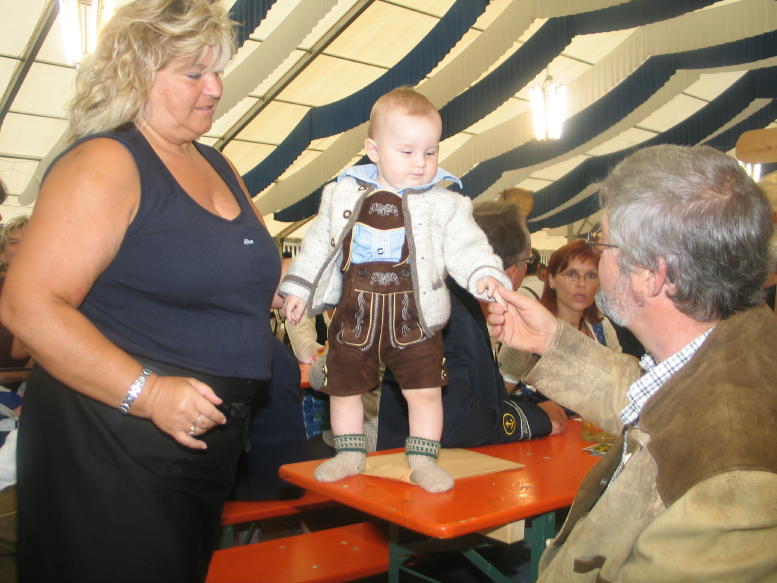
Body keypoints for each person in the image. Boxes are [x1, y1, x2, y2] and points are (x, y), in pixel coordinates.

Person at [0, 2, 281, 581]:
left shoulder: (217, 163)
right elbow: (28, 305)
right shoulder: (107, 161)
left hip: (205, 442)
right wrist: (147, 393)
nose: (215, 88)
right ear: (135, 75)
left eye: (217, 71)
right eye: (194, 73)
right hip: (111, 438)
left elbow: (241, 280)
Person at [488, 144, 777, 582]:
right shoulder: (741, 346)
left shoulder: (729, 482)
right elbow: (657, 399)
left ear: (651, 275)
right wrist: (551, 341)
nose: (597, 260)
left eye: (602, 244)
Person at [279, 87, 510, 493]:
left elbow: (468, 245)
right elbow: (318, 247)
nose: (421, 163)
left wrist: (485, 274)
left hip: (414, 316)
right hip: (356, 312)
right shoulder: (342, 194)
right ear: (374, 150)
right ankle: (349, 454)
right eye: (407, 151)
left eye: (430, 151)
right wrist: (299, 289)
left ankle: (423, 461)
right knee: (345, 389)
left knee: (426, 392)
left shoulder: (445, 204)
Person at [376, 200, 567, 449]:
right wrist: (536, 419)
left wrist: (530, 411)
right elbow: (455, 423)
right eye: (527, 261)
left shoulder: (456, 306)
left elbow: (481, 403)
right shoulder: (447, 316)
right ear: (508, 272)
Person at [499, 239, 623, 397]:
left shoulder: (602, 327)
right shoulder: (528, 330)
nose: (582, 283)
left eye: (591, 275)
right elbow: (497, 398)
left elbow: (620, 386)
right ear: (551, 279)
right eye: (571, 274)